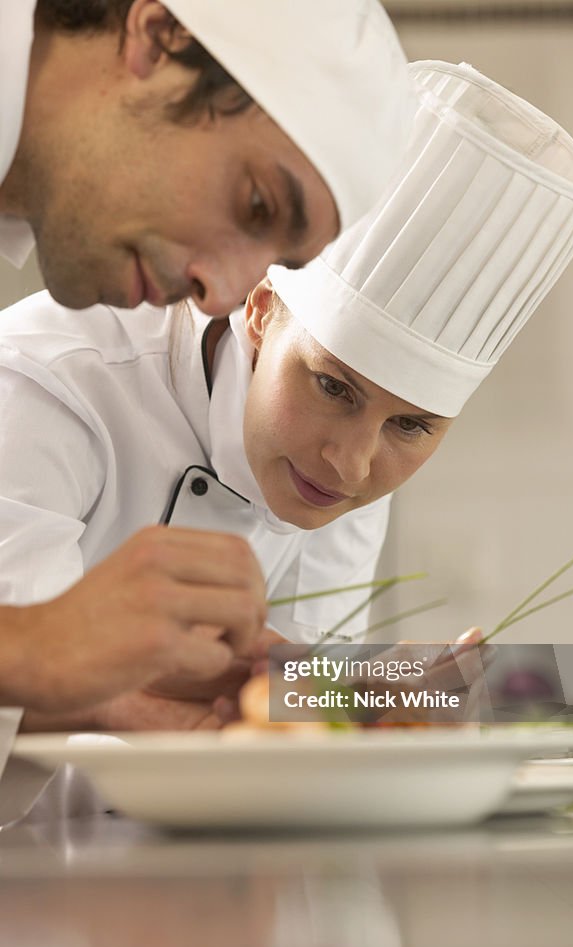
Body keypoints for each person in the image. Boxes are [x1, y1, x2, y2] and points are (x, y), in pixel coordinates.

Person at [0, 62, 573, 737]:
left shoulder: (331, 485)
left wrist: (368, 701)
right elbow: (19, 678)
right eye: (331, 387)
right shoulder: (45, 383)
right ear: (261, 311)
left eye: (409, 425)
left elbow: (275, 717)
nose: (350, 464)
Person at [0, 0, 413, 764]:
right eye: (254, 203)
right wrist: (28, 649)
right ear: (160, 37)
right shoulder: (47, 375)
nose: (218, 295)